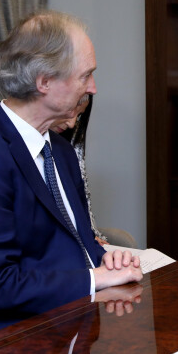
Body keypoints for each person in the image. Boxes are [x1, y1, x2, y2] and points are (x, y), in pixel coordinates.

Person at [0, 10, 142, 341]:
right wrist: (96, 278)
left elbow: (75, 243)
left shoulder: (60, 150)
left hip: (75, 331)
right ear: (44, 82)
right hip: (14, 343)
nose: (93, 88)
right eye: (85, 76)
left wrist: (106, 258)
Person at [52, 94, 108, 244]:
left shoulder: (72, 134)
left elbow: (82, 195)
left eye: (79, 115)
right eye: (70, 111)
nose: (72, 123)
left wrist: (92, 235)